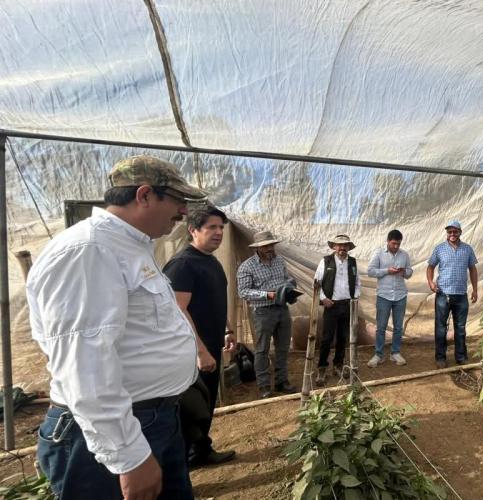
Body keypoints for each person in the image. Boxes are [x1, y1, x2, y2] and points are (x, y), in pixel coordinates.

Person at [27, 155, 206, 499]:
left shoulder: (129, 246)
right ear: (144, 195)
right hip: (111, 435)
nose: (184, 212)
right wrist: (128, 457)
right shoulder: (89, 250)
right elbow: (84, 363)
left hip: (150, 420)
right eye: (178, 201)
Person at [163, 205, 236, 467]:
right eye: (212, 228)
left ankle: (201, 450)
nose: (218, 233)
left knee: (206, 403)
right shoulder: (183, 264)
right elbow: (178, 311)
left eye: (221, 228)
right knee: (190, 409)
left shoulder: (210, 260)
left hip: (210, 345)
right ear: (193, 230)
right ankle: (182, 466)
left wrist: (226, 329)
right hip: (190, 353)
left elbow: (212, 301)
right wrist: (199, 351)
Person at [236, 230, 298, 398]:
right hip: (262, 312)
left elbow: (286, 279)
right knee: (262, 350)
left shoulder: (279, 261)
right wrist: (267, 294)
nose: (270, 248)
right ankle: (264, 386)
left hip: (282, 309)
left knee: (283, 348)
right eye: (266, 246)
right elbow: (243, 292)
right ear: (258, 248)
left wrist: (290, 288)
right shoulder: (247, 266)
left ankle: (281, 382)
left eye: (271, 245)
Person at [426, 220, 478, 368]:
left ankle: (461, 357)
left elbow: (473, 269)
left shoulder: (467, 249)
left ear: (460, 232)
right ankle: (440, 358)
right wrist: (431, 282)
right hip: (443, 294)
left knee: (460, 328)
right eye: (450, 232)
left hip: (461, 295)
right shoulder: (439, 249)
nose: (452, 234)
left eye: (455, 231)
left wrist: (475, 289)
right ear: (447, 233)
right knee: (441, 328)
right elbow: (430, 267)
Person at [315, 234, 361, 383]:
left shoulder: (352, 262)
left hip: (347, 305)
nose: (342, 248)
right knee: (327, 338)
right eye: (339, 245)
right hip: (331, 305)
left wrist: (355, 297)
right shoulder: (325, 261)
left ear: (348, 247)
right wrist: (323, 299)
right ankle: (321, 369)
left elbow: (358, 282)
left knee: (343, 337)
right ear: (334, 247)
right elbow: (317, 283)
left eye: (345, 245)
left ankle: (338, 366)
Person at [367, 229, 413, 367]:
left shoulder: (404, 255)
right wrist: (387, 271)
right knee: (381, 327)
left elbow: (410, 272)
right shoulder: (379, 253)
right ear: (387, 241)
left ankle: (395, 353)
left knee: (398, 327)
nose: (396, 246)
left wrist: (404, 271)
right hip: (384, 295)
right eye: (393, 243)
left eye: (398, 244)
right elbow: (370, 271)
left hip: (400, 295)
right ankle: (379, 354)